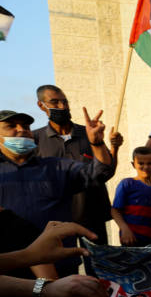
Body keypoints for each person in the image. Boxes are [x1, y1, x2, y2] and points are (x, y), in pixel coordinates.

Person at [0, 109, 113, 276]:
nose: (22, 129)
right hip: (10, 269)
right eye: (11, 126)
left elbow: (100, 173)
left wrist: (97, 144)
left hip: (61, 267)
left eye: (26, 126)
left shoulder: (57, 167)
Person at [33, 85, 122, 247]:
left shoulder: (89, 133)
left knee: (98, 267)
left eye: (65, 102)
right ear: (41, 105)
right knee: (65, 267)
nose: (62, 106)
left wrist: (111, 147)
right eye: (54, 102)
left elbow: (107, 172)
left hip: (93, 216)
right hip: (57, 219)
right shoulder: (36, 139)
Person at [111, 147, 151, 246]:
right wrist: (124, 229)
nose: (145, 167)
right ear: (133, 165)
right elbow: (115, 210)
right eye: (141, 163)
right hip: (131, 239)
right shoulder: (127, 184)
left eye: (150, 163)